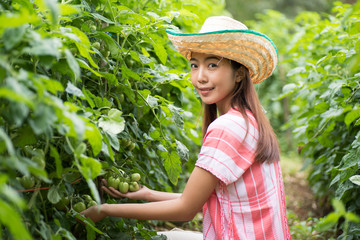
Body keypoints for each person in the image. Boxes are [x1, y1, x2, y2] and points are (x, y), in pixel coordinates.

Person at [81, 16, 292, 240]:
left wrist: (103, 210)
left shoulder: (228, 127)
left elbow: (186, 210)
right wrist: (147, 194)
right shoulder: (249, 120)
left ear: (239, 73)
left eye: (212, 65)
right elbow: (202, 199)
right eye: (194, 65)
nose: (200, 77)